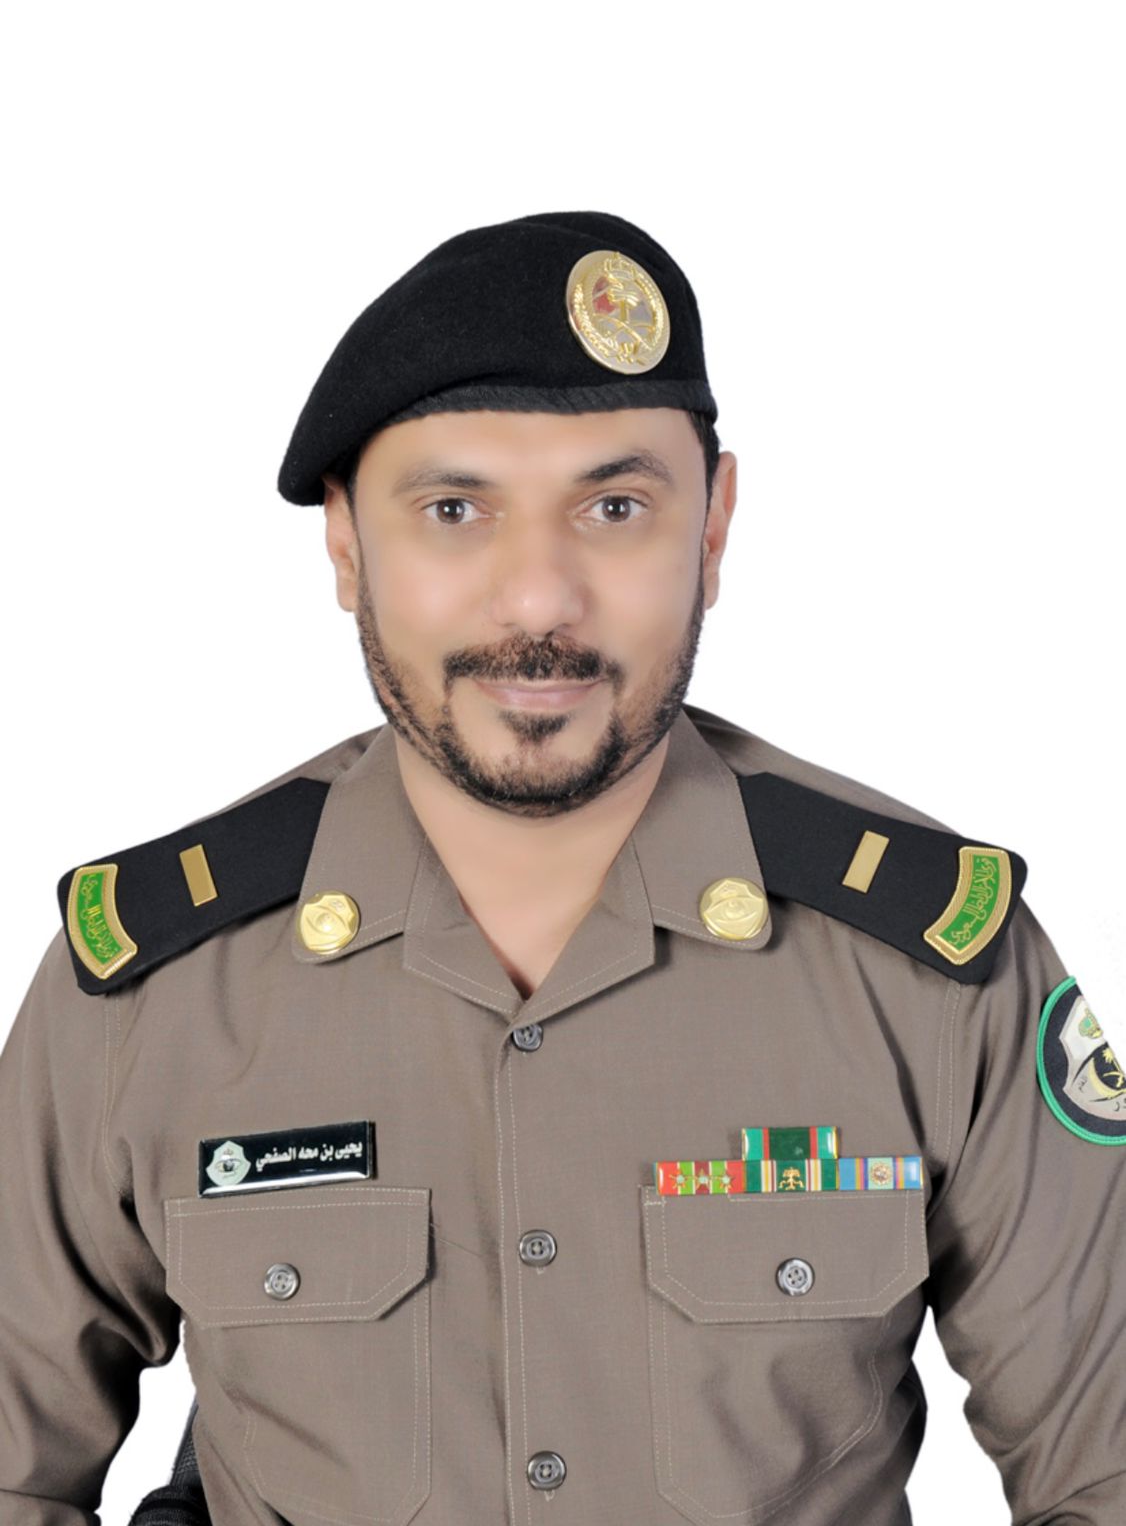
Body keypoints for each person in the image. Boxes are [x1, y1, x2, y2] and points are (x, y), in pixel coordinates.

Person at [1, 210, 1123, 1526]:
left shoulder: (935, 970)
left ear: (712, 530)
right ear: (347, 547)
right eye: (454, 510)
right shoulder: (146, 989)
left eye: (613, 507)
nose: (538, 600)